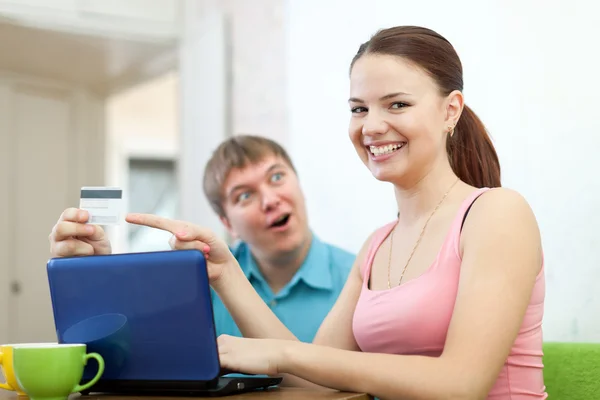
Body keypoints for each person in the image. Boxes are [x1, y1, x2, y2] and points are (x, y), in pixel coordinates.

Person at [122, 26, 547, 399]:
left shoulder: (497, 213)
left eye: (397, 104)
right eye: (359, 108)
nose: (371, 126)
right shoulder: (377, 245)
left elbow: (461, 384)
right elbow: (311, 381)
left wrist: (283, 354)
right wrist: (227, 272)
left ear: (449, 110)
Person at [48, 135, 356, 343]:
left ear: (299, 184)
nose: (270, 200)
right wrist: (90, 275)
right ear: (227, 223)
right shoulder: (198, 280)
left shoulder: (359, 278)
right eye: (244, 195)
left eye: (276, 177)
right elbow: (124, 346)